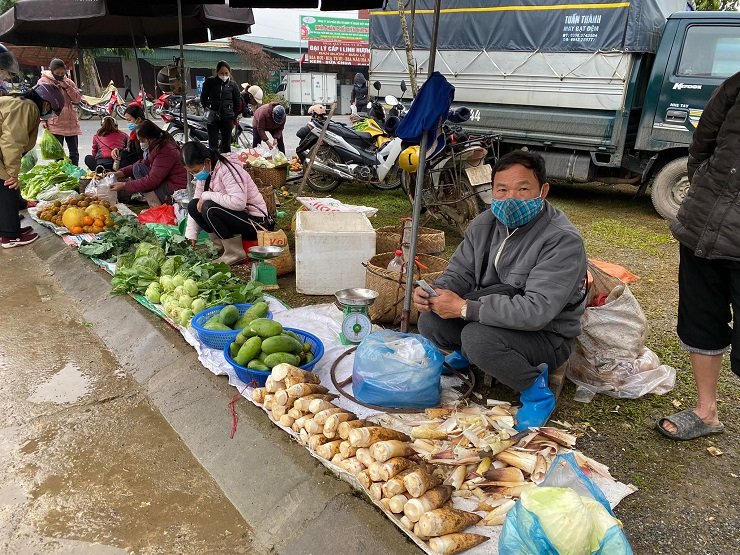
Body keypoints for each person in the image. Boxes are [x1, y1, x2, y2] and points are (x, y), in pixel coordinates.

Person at [414, 150, 587, 430]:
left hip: (547, 335)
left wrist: (464, 308)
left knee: (477, 338)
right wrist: (435, 292)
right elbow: (461, 272)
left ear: (543, 191)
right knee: (431, 320)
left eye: (523, 189)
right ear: (491, 190)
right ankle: (469, 356)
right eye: (502, 189)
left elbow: (536, 311)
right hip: (496, 311)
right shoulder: (484, 224)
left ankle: (536, 391)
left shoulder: (561, 240)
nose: (510, 199)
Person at [658, 71, 740, 441]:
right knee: (700, 320)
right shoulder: (738, 84)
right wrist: (705, 185)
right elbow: (703, 141)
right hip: (702, 227)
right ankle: (706, 412)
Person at [181, 141, 272, 265]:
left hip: (254, 223)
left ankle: (234, 252)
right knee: (193, 205)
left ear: (207, 161)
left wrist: (207, 195)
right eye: (191, 172)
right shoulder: (205, 173)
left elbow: (238, 203)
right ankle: (219, 246)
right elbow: (197, 201)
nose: (194, 175)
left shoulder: (228, 169)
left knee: (208, 207)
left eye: (195, 170)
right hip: (235, 217)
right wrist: (191, 235)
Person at [0, 79, 64, 248]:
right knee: (7, 185)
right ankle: (10, 236)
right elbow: (12, 141)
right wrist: (12, 173)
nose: (51, 114)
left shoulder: (21, 103)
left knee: (5, 186)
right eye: (52, 109)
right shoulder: (27, 107)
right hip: (3, 150)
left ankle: (7, 228)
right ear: (46, 103)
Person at [110, 120, 186, 206]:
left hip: (176, 190)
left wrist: (125, 185)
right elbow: (142, 163)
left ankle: (156, 205)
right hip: (168, 184)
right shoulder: (156, 146)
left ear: (150, 138)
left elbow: (152, 180)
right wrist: (118, 173)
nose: (141, 143)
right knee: (138, 167)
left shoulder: (165, 151)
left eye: (142, 140)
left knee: (139, 169)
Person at [37, 58, 81, 166]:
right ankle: (61, 176)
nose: (60, 75)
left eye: (62, 73)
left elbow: (77, 99)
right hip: (55, 122)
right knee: (58, 153)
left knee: (74, 153)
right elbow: (41, 102)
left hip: (71, 122)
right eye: (57, 73)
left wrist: (66, 86)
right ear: (51, 71)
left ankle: (74, 174)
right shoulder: (43, 82)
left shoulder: (68, 82)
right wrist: (43, 120)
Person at [199, 61, 240, 153]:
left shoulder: (233, 85)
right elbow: (203, 98)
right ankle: (214, 163)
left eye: (226, 73)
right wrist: (208, 109)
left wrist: (234, 115)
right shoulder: (210, 82)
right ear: (217, 72)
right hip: (212, 117)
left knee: (226, 144)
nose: (224, 75)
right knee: (213, 145)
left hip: (227, 118)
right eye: (221, 73)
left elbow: (237, 102)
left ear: (229, 72)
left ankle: (225, 165)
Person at [111, 104, 146, 169]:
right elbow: (129, 149)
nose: (128, 123)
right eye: (127, 120)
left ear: (138, 119)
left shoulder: (145, 133)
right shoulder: (134, 133)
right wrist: (118, 150)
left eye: (129, 120)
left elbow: (139, 155)